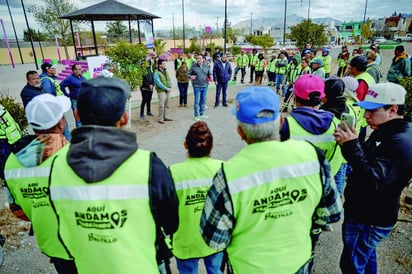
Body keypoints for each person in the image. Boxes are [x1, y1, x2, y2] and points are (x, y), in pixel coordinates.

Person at [200, 86, 342, 273]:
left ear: (240, 132)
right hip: (297, 263)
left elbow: (214, 238)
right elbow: (332, 213)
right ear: (281, 121)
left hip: (248, 267)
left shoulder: (228, 174)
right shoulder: (312, 156)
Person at [48, 77, 179, 274]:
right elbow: (171, 223)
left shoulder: (57, 165)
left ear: (76, 114)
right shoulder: (148, 165)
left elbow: (60, 220)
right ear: (124, 118)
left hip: (88, 267)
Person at [333, 82, 412, 274]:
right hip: (369, 214)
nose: (366, 116)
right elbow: (367, 162)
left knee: (351, 265)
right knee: (365, 258)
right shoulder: (388, 130)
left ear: (393, 109)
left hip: (368, 217)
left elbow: (373, 182)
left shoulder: (399, 142)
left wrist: (351, 146)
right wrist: (349, 145)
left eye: (372, 111)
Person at [4, 94, 76, 274]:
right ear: (61, 123)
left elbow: (17, 209)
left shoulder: (12, 162)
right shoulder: (75, 156)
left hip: (51, 242)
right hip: (84, 242)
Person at [169, 121, 224, 274]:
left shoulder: (173, 172)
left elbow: (166, 210)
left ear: (185, 145)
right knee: (215, 269)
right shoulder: (223, 168)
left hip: (186, 240)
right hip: (215, 237)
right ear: (212, 146)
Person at [280, 74, 343, 177]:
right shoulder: (336, 124)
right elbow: (335, 161)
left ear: (295, 97)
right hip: (319, 184)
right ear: (322, 98)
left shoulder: (284, 125)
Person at [60, 63, 86, 128]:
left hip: (83, 100)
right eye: (79, 69)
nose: (81, 70)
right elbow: (61, 85)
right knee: (78, 118)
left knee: (84, 117)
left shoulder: (82, 77)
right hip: (75, 101)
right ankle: (80, 135)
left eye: (81, 69)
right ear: (74, 70)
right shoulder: (70, 78)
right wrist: (67, 94)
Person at [188, 54, 211, 121]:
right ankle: (196, 115)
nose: (198, 59)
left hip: (205, 86)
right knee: (197, 101)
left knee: (203, 101)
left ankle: (202, 113)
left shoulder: (206, 66)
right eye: (197, 58)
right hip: (197, 86)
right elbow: (188, 74)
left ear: (203, 59)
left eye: (200, 58)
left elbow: (209, 73)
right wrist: (190, 77)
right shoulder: (193, 66)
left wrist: (211, 76)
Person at [154, 59, 173, 124]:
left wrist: (170, 86)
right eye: (163, 64)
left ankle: (166, 116)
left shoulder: (166, 71)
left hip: (168, 89)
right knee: (161, 105)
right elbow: (158, 83)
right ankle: (160, 118)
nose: (165, 65)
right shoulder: (156, 73)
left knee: (167, 104)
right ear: (160, 65)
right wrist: (166, 88)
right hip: (161, 90)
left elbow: (169, 79)